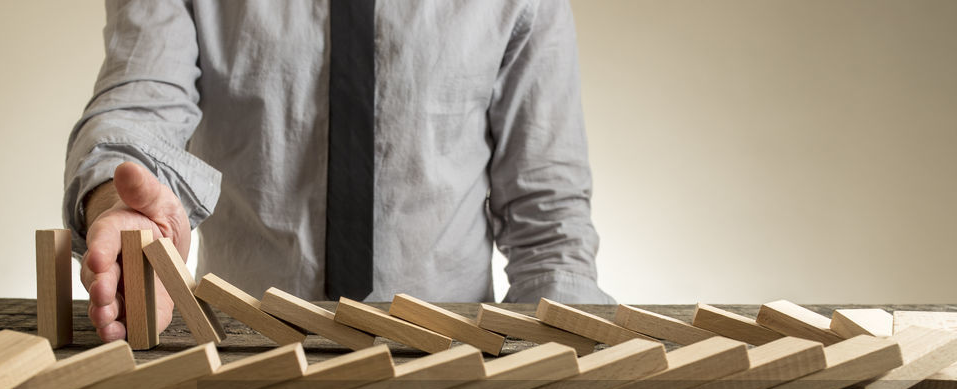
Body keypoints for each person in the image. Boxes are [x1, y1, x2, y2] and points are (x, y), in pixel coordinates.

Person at [65, 0, 609, 344]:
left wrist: (556, 375)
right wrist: (119, 202)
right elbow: (139, 106)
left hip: (447, 366)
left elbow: (549, 222)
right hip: (246, 360)